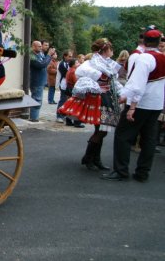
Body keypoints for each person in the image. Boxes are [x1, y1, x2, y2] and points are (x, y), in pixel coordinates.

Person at [101, 29, 165, 182]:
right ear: (159, 42)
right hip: (155, 104)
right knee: (149, 139)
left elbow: (137, 85)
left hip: (141, 103)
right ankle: (143, 172)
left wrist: (130, 104)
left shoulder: (145, 59)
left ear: (144, 41)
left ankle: (121, 171)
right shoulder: (162, 57)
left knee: (123, 136)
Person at [58, 38, 122, 171]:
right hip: (99, 98)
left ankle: (94, 159)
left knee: (102, 130)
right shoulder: (92, 62)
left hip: (108, 97)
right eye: (111, 48)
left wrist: (123, 93)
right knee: (102, 130)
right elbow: (79, 72)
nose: (112, 51)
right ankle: (89, 158)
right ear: (105, 50)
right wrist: (98, 77)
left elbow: (114, 82)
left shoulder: (108, 63)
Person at [29, 40, 55, 122]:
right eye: (39, 46)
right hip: (36, 81)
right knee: (36, 99)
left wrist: (49, 56)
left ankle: (35, 117)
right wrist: (49, 55)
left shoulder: (40, 54)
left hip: (41, 80)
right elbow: (41, 65)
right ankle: (34, 118)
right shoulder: (32, 56)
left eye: (41, 46)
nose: (41, 48)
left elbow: (45, 63)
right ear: (33, 46)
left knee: (38, 99)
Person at [64, 59, 85, 128]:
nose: (78, 63)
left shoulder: (70, 70)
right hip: (73, 89)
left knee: (70, 105)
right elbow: (76, 81)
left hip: (69, 89)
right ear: (73, 64)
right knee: (77, 105)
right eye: (77, 62)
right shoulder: (74, 71)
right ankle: (77, 122)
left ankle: (68, 121)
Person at [56, 50, 73, 123]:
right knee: (63, 100)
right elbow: (66, 73)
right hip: (64, 84)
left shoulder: (68, 63)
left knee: (67, 101)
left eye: (71, 56)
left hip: (68, 84)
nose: (70, 58)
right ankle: (59, 115)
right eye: (69, 56)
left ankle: (64, 114)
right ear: (65, 56)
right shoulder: (62, 64)